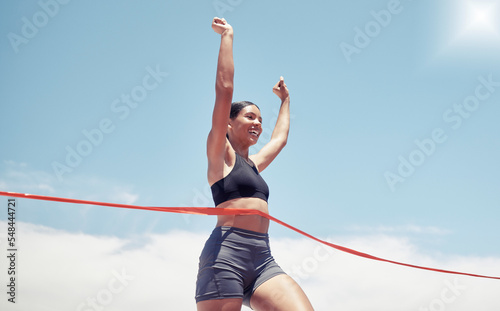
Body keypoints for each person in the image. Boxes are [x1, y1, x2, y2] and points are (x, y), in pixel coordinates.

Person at [195, 17, 314, 311]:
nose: (258, 123)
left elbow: (280, 140)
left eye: (260, 119)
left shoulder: (254, 164)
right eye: (250, 117)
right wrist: (227, 36)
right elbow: (224, 89)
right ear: (229, 123)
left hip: (262, 259)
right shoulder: (220, 155)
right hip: (225, 257)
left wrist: (285, 100)